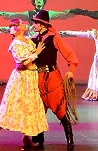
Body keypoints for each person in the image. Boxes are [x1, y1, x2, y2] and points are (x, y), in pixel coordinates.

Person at [0, 19, 48, 149]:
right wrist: (36, 53)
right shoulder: (15, 44)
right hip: (21, 77)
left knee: (29, 107)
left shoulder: (29, 40)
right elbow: (22, 62)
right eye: (22, 24)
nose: (25, 25)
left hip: (32, 77)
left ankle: (26, 137)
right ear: (17, 28)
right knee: (11, 105)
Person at [29, 10, 78, 150]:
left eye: (36, 23)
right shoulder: (35, 40)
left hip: (52, 78)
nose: (34, 25)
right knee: (39, 109)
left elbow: (69, 53)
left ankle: (69, 138)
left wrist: (71, 70)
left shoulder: (54, 38)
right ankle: (39, 138)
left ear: (43, 25)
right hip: (38, 78)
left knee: (60, 109)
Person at [0, 0, 75, 27]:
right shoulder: (29, 13)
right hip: (32, 36)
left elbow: (62, 15)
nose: (39, 0)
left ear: (43, 3)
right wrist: (0, 13)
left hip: (44, 37)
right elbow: (15, 15)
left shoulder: (48, 13)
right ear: (34, 2)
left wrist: (73, 12)